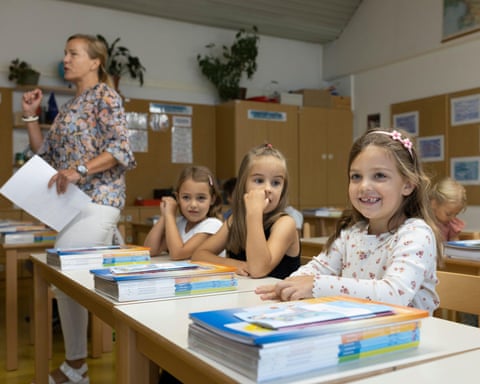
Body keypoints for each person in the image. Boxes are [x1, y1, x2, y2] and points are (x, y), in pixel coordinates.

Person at [22, 34, 136, 383]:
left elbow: (121, 149)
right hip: (74, 206)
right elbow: (47, 157)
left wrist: (81, 169)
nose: (65, 59)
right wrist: (30, 118)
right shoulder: (72, 106)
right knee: (65, 282)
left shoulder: (105, 96)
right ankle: (77, 365)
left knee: (66, 275)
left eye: (73, 53)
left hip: (100, 200)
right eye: (65, 52)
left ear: (95, 61)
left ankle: (79, 365)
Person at [256, 129, 443, 315]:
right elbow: (318, 268)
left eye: (379, 175)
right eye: (356, 176)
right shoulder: (352, 233)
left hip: (408, 338)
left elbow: (394, 294)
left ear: (408, 185)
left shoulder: (416, 234)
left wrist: (315, 285)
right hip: (359, 332)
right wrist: (289, 285)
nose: (364, 186)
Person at [192, 144, 300, 279]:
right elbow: (199, 255)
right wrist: (233, 264)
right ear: (243, 185)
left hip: (280, 298)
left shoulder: (285, 224)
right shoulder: (235, 220)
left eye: (276, 183)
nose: (268, 188)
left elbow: (258, 270)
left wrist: (254, 214)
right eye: (259, 180)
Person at [144, 165, 224, 259]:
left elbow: (177, 254)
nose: (193, 205)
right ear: (177, 198)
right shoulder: (179, 223)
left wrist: (170, 215)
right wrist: (164, 216)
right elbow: (148, 251)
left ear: (212, 199)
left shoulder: (213, 225)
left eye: (201, 198)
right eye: (186, 197)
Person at [430, 177, 467, 241]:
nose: (452, 218)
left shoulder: (452, 225)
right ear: (434, 204)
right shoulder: (424, 222)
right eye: (448, 214)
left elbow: (455, 246)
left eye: (456, 214)